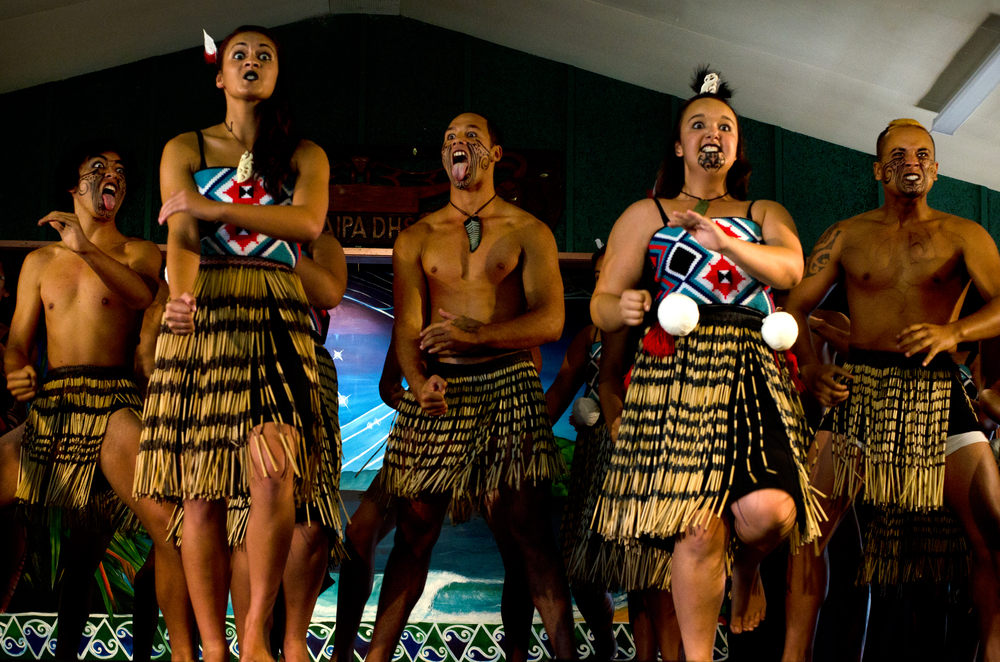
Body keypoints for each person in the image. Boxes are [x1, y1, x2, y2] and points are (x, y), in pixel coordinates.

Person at [589, 69, 819, 661]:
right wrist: (627, 304)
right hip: (677, 376)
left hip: (752, 368)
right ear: (679, 144)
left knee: (770, 513)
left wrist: (725, 241)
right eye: (698, 124)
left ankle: (748, 572)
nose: (711, 133)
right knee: (696, 527)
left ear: (737, 146)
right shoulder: (648, 213)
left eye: (724, 125)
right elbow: (602, 301)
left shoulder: (764, 211)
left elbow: (791, 272)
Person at [133, 25, 329, 662]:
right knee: (201, 488)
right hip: (207, 310)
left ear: (277, 75)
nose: (251, 62)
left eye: (264, 55)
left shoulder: (304, 154)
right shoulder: (183, 147)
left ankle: (255, 636)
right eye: (239, 54)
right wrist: (181, 295)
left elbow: (305, 223)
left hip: (274, 311)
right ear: (220, 75)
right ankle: (213, 648)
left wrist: (216, 208)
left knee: (274, 470)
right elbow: (181, 236)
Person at [781, 118, 1000, 662]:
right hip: (863, 392)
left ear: (936, 167)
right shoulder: (848, 234)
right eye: (899, 154)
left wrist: (955, 331)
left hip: (939, 391)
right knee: (807, 533)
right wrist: (809, 370)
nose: (913, 161)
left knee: (995, 537)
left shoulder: (965, 234)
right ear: (879, 169)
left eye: (923, 153)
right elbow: (793, 309)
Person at [364, 112, 575, 662]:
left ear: (496, 155)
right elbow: (407, 323)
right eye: (449, 138)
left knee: (530, 534)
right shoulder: (416, 237)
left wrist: (479, 335)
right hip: (437, 391)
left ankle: (561, 657)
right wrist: (417, 382)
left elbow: (550, 320)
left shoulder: (529, 230)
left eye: (471, 137)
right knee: (414, 535)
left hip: (509, 385)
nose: (459, 144)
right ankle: (374, 658)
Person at [2, 142, 195, 660]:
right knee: (74, 548)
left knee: (169, 525)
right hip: (53, 406)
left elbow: (139, 297)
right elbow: (20, 340)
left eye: (119, 172)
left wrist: (85, 247)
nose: (112, 177)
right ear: (73, 185)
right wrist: (16, 368)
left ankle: (175, 652)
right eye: (98, 170)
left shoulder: (139, 252)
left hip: (112, 403)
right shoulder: (39, 262)